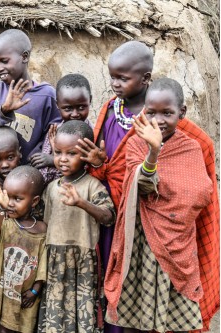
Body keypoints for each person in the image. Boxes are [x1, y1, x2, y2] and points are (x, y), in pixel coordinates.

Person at [80, 42, 220, 330]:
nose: (116, 84)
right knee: (124, 283)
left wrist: (166, 188)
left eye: (123, 78)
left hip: (171, 231)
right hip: (123, 221)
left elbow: (197, 190)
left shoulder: (190, 139)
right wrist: (99, 164)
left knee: (165, 297)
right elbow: (118, 169)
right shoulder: (111, 112)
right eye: (113, 77)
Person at [104, 78, 212, 332]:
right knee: (133, 308)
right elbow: (139, 188)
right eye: (151, 112)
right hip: (140, 242)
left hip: (176, 244)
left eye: (167, 113)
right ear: (144, 111)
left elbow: (198, 194)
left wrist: (169, 196)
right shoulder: (135, 144)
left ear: (181, 113)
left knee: (170, 314)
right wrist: (153, 153)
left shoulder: (191, 148)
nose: (159, 120)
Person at [37, 120, 115, 332]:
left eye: (71, 153)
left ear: (85, 154)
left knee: (83, 315)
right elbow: (43, 222)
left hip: (83, 262)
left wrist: (81, 202)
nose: (62, 159)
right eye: (58, 152)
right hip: (54, 260)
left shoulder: (92, 185)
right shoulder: (51, 187)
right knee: (54, 316)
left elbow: (108, 216)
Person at [0, 29, 61, 181]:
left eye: (4, 61)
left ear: (24, 56)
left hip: (28, 177)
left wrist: (44, 157)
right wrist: (2, 112)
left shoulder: (46, 95)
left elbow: (55, 137)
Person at [0, 166, 47, 333]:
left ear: (34, 201)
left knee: (26, 326)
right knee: (3, 328)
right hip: (6, 291)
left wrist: (35, 290)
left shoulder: (42, 230)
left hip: (28, 295)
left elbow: (43, 264)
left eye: (17, 199)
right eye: (7, 197)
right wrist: (1, 208)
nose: (10, 203)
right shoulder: (6, 222)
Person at [30, 73, 94, 184]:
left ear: (90, 101)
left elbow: (89, 165)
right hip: (52, 188)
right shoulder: (55, 130)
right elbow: (44, 169)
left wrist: (52, 160)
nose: (75, 114)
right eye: (68, 108)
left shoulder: (93, 132)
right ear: (57, 105)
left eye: (81, 107)